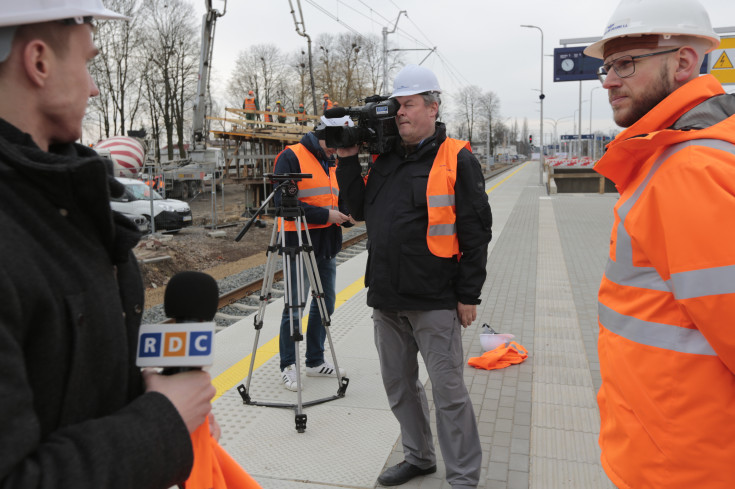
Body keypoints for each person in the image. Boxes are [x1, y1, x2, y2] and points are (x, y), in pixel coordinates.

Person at [0, 2, 216, 488]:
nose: (95, 86)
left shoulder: (56, 202)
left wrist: (159, 411)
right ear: (39, 62)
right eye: (88, 62)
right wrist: (165, 421)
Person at [585, 1, 735, 488]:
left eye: (626, 63)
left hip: (679, 464)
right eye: (607, 66)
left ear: (684, 62)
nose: (608, 80)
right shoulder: (689, 155)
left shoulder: (687, 172)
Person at [335, 64, 491, 488]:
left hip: (435, 299)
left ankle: (462, 478)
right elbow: (358, 209)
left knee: (449, 393)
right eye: (396, 105)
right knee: (400, 387)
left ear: (432, 107)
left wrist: (468, 295)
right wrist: (348, 159)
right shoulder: (386, 159)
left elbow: (476, 232)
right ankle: (419, 457)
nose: (399, 112)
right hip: (386, 297)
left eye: (407, 104)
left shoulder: (457, 157)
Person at [273, 116, 355, 391]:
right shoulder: (291, 157)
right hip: (298, 242)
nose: (336, 149)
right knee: (294, 307)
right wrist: (326, 215)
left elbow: (333, 196)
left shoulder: (329, 160)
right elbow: (282, 203)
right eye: (334, 143)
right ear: (322, 134)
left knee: (325, 305)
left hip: (326, 244)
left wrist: (345, 213)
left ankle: (314, 361)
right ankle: (288, 365)